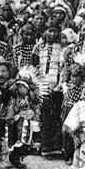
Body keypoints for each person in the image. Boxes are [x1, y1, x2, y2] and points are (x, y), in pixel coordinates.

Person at [32, 21, 65, 157]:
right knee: (43, 116)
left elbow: (63, 68)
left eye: (54, 31)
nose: (52, 34)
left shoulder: (62, 48)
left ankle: (55, 147)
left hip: (56, 86)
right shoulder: (39, 47)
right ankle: (43, 147)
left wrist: (59, 84)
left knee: (55, 115)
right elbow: (34, 67)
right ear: (44, 32)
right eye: (49, 31)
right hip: (42, 86)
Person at [6, 67, 45, 163]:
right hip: (14, 118)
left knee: (22, 130)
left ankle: (19, 153)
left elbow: (35, 110)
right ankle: (11, 156)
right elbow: (12, 108)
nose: (21, 89)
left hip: (25, 119)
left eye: (24, 87)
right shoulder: (15, 98)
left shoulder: (30, 99)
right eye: (19, 87)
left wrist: (34, 117)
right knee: (11, 133)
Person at [60, 62, 85, 165]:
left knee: (74, 134)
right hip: (67, 111)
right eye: (73, 76)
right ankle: (67, 155)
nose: (74, 79)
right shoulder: (68, 88)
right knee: (66, 134)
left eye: (77, 77)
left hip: (75, 113)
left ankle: (74, 156)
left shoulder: (81, 90)